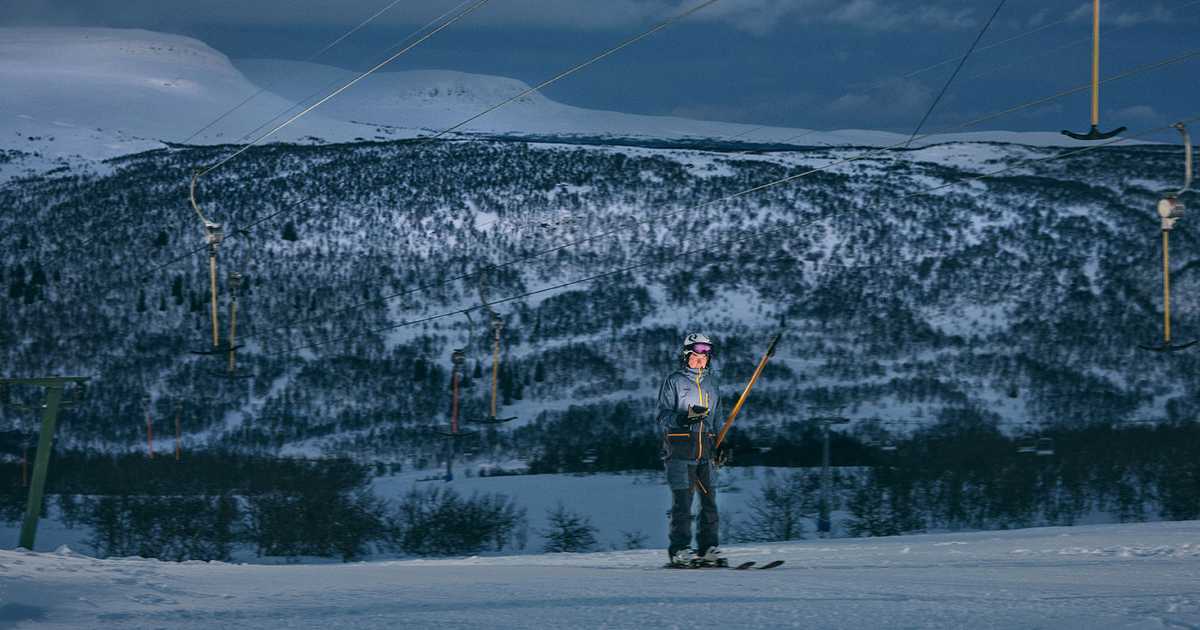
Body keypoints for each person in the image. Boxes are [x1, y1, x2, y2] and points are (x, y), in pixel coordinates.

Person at [656, 332, 730, 567]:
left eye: (706, 354)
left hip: (706, 451)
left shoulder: (712, 383)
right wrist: (683, 418)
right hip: (680, 451)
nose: (701, 358)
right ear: (686, 355)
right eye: (696, 354)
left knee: (710, 502)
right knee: (683, 504)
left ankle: (708, 548)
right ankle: (680, 549)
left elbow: (718, 417)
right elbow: (662, 416)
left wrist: (721, 442)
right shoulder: (674, 381)